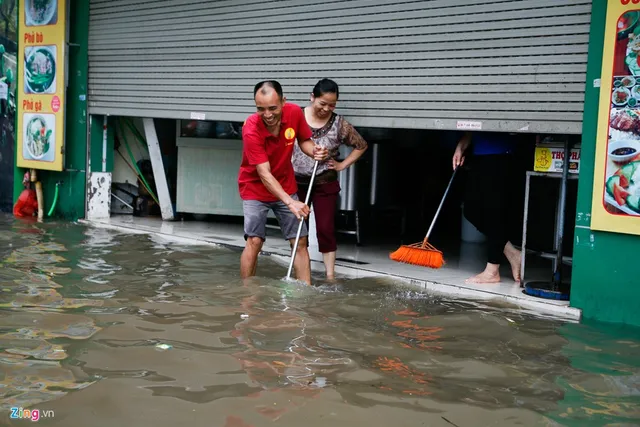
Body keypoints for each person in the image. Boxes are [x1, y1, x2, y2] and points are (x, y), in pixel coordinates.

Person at [238, 80, 329, 285]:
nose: (267, 115)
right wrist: (290, 202)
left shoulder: (294, 113)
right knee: (255, 240)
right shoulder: (251, 128)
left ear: (283, 101)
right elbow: (264, 174)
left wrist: (314, 150)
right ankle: (246, 292)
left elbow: (304, 140)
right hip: (255, 187)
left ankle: (304, 290)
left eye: (272, 108)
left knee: (300, 241)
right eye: (260, 109)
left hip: (286, 184)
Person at [291, 79, 368, 280]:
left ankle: (330, 275)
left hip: (325, 181)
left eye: (331, 105)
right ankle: (301, 271)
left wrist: (342, 165)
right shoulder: (296, 116)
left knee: (325, 228)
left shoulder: (339, 124)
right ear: (312, 97)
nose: (326, 109)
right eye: (322, 103)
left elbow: (361, 145)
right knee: (299, 228)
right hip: (296, 181)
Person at [452, 131, 522, 284]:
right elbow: (474, 123)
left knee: (494, 212)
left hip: (501, 154)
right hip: (480, 154)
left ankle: (492, 271)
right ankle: (512, 253)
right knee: (471, 209)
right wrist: (461, 146)